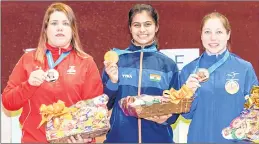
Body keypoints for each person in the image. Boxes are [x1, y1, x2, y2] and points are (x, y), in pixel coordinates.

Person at [1, 2, 103, 143]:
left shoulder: (86, 62)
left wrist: (85, 139)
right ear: (45, 29)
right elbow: (8, 102)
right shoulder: (28, 60)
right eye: (54, 23)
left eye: (65, 23)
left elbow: (94, 113)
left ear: (73, 30)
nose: (60, 28)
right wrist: (28, 85)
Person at [102, 4, 180, 143]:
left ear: (156, 27)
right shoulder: (117, 61)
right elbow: (104, 105)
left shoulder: (168, 65)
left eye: (147, 24)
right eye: (137, 25)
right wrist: (113, 82)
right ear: (130, 28)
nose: (142, 30)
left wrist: (166, 117)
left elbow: (175, 108)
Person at [180, 12, 259, 142]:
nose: (213, 38)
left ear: (228, 34)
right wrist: (188, 93)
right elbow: (186, 115)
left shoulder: (244, 68)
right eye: (207, 32)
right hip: (200, 139)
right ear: (201, 35)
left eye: (219, 32)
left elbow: (255, 110)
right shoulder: (189, 70)